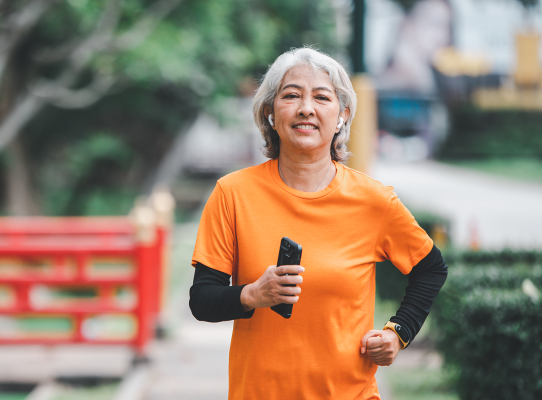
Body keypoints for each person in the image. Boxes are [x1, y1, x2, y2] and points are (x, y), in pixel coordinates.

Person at [189, 47, 448, 399]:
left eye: (322, 97)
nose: (306, 108)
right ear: (270, 113)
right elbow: (202, 301)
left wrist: (397, 333)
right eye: (291, 95)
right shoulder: (233, 194)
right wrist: (253, 294)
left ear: (342, 115)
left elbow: (430, 269)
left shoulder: (374, 200)